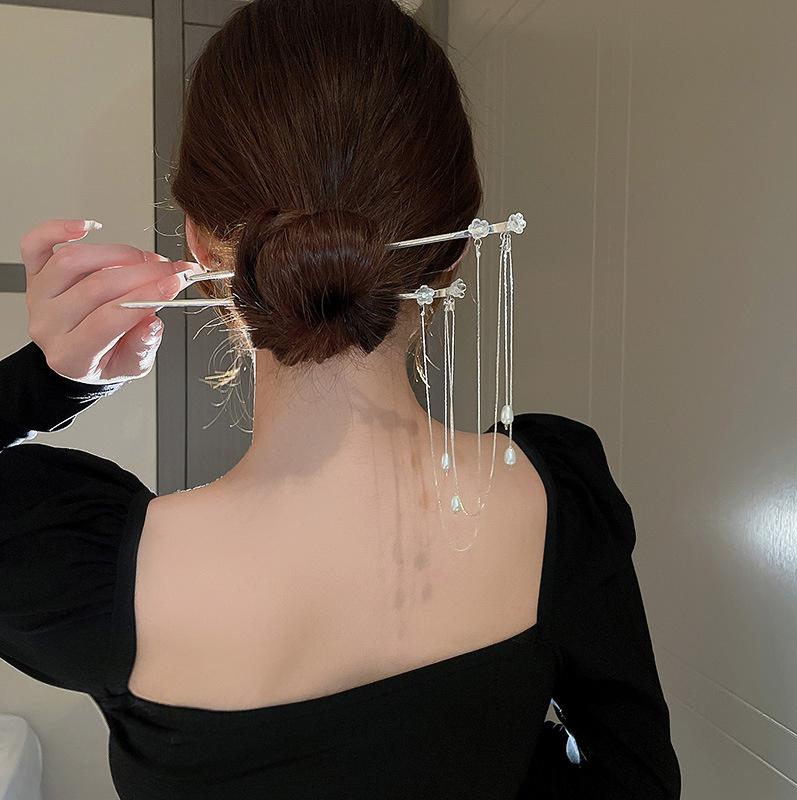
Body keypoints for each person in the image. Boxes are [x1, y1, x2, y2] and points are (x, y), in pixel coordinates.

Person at [0, 0, 681, 797]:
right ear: (455, 248)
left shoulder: (85, 573)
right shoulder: (555, 495)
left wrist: (50, 380)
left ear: (197, 241)